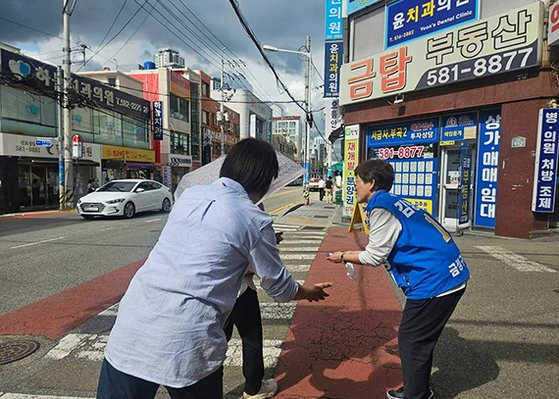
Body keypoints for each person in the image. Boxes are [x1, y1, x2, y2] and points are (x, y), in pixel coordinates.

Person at [96, 139, 332, 399]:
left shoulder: (189, 195)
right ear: (265, 181)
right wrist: (309, 292)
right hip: (188, 340)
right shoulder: (254, 219)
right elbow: (279, 288)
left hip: (132, 325)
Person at [327, 159, 469, 399]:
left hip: (435, 280)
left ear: (371, 183)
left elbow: (374, 255)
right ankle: (418, 390)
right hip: (447, 273)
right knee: (417, 341)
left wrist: (342, 256)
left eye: (358, 182)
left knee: (411, 340)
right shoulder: (392, 202)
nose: (355, 187)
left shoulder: (380, 207)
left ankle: (416, 395)